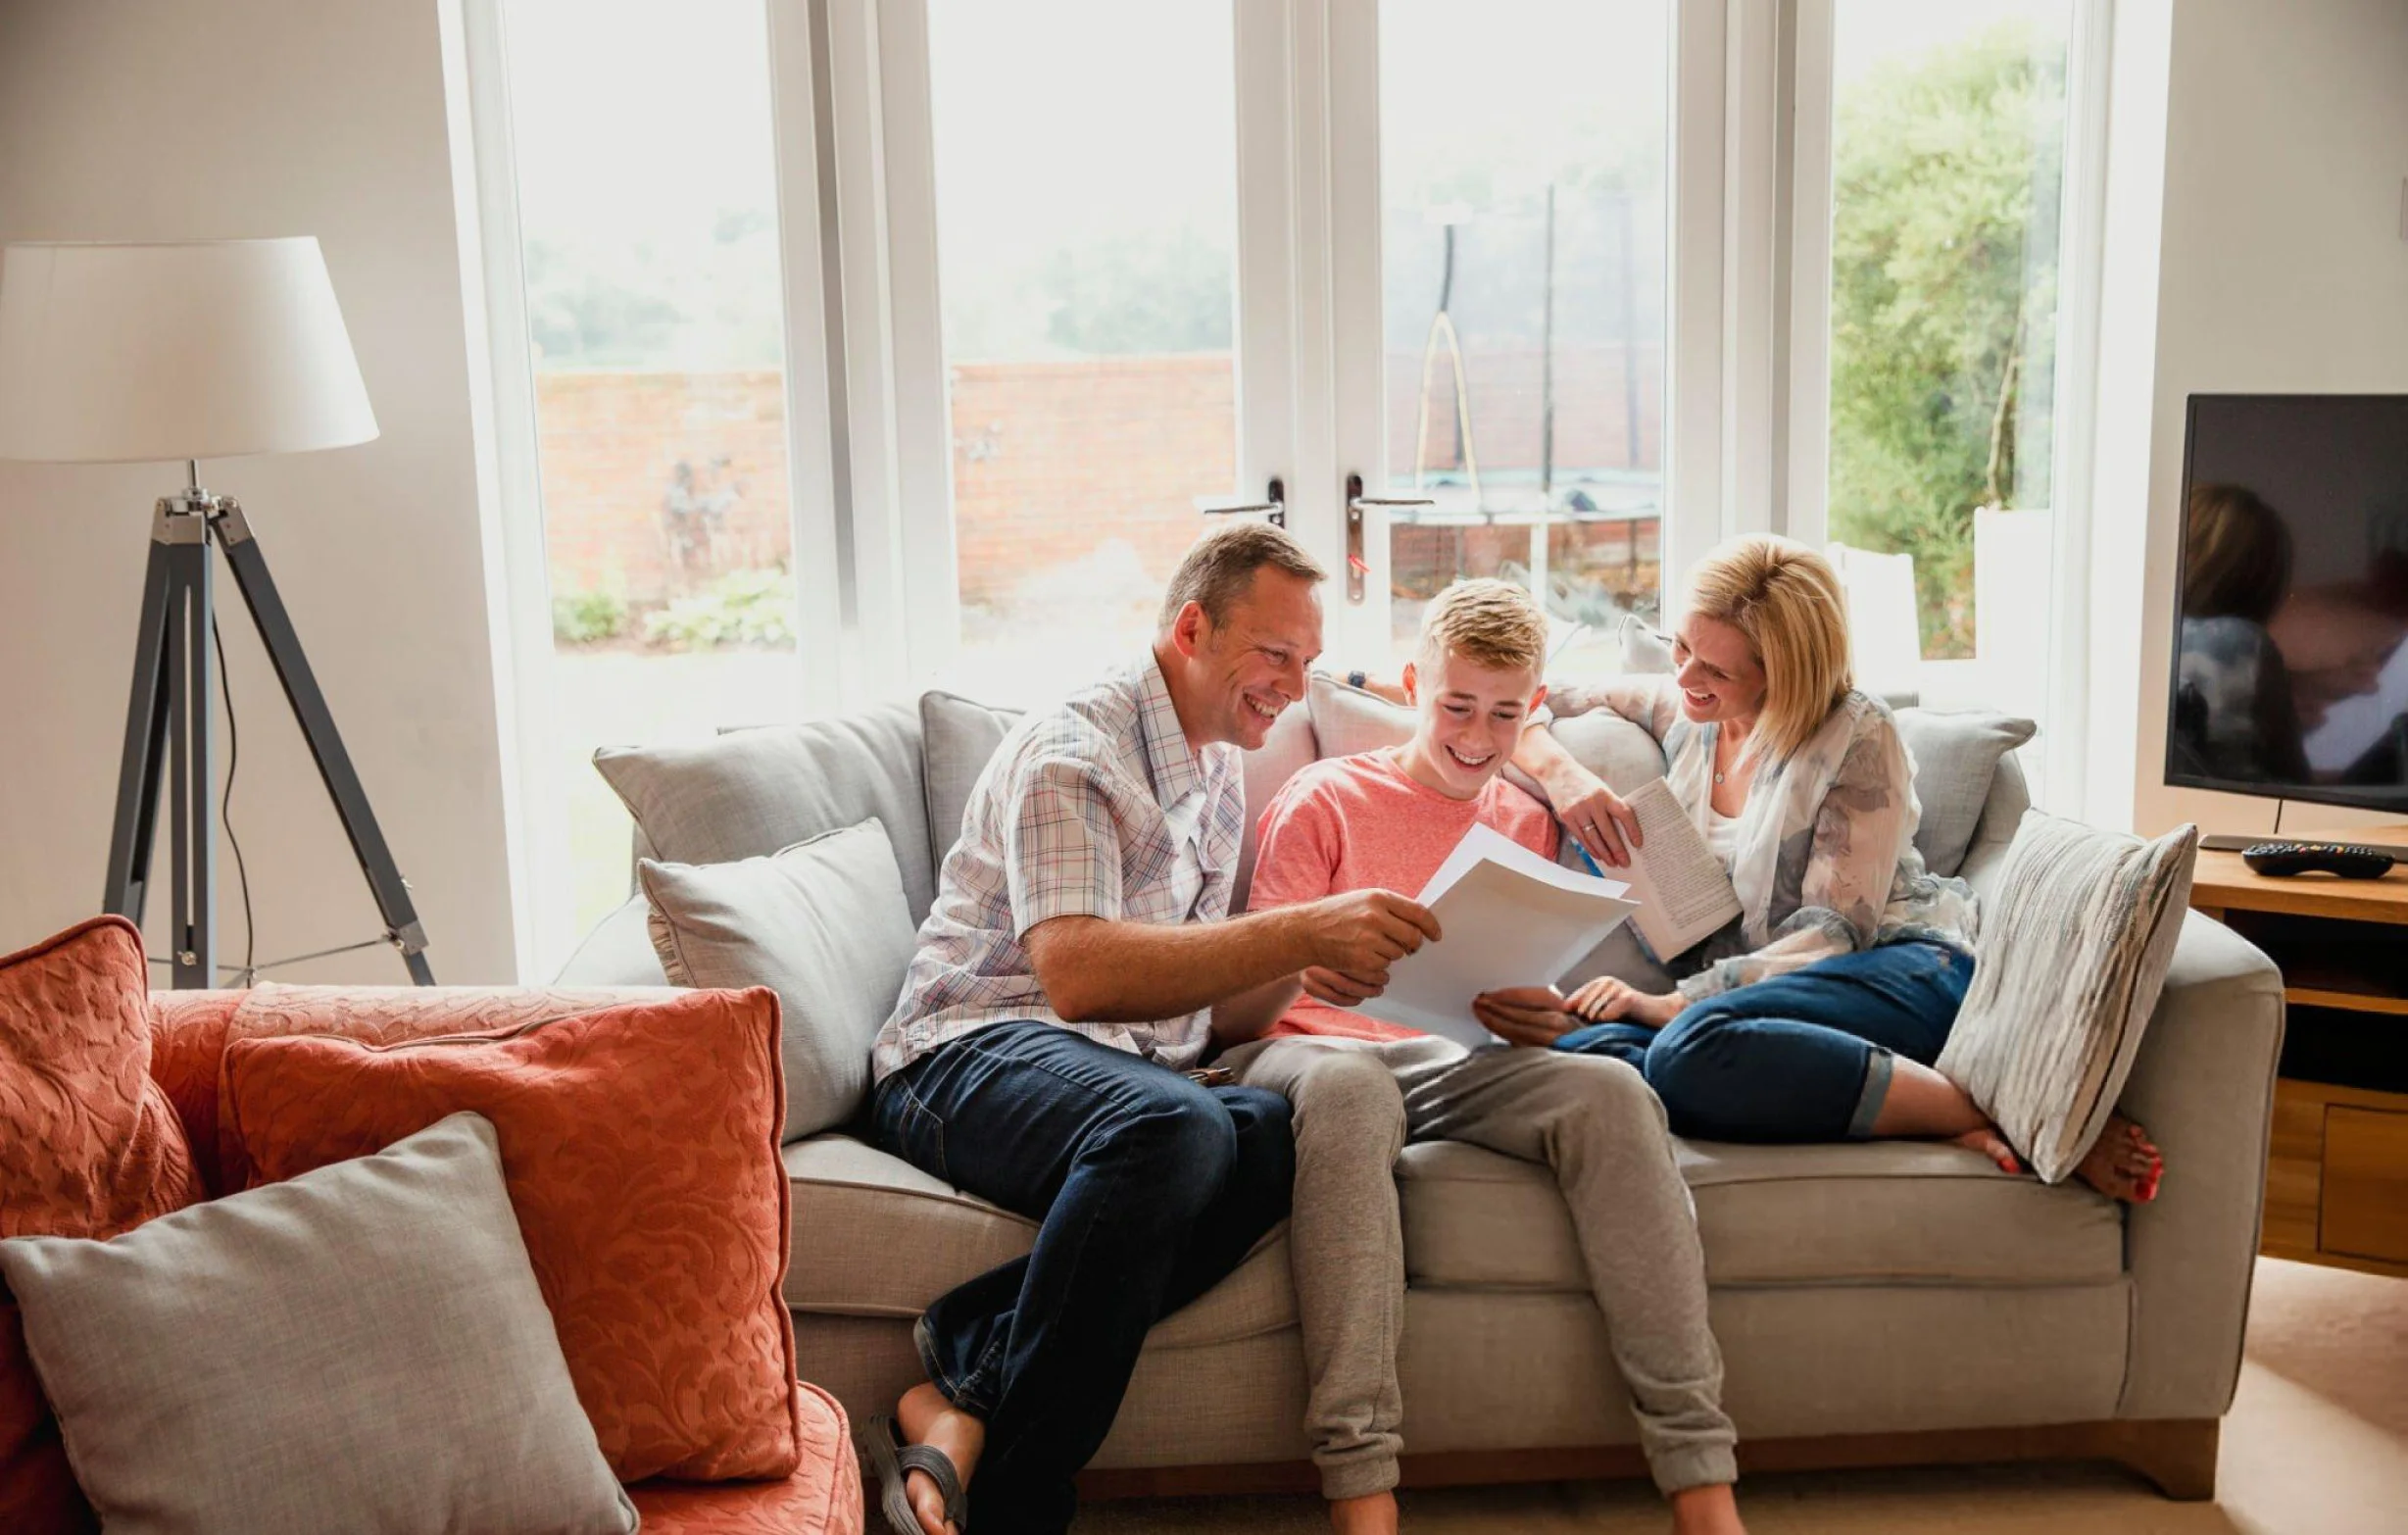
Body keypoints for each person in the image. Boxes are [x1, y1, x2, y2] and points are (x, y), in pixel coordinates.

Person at [862, 521, 1446, 1535]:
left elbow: (1212, 1011)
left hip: (1108, 1067)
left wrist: (1303, 963)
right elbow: (1078, 975)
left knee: (1269, 1136)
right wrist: (1295, 925)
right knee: (1174, 1129)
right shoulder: (1075, 750)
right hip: (960, 1053)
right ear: (1191, 628)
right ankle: (1019, 1506)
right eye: (1273, 655)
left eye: (1306, 665)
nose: (1290, 686)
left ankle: (965, 1383)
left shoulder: (1217, 761)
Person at [1215, 579, 1746, 1535]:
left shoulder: (1522, 819)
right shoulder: (1327, 795)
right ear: (1415, 686)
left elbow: (1516, 986)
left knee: (1609, 1091)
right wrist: (1308, 957)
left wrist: (1535, 1020)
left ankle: (1702, 1485)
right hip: (1307, 1054)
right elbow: (1245, 1002)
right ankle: (1362, 1492)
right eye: (1456, 706)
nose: (1476, 733)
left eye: (1504, 714)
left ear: (1532, 711)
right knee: (1347, 1091)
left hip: (1454, 1058)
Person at [1521, 535, 2163, 1205]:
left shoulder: (1856, 733)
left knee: (1687, 1047)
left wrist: (1674, 1002)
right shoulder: (1688, 712)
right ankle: (1907, 1118)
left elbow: (1832, 934)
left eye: (1714, 670)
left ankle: (2005, 1113)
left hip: (1896, 972)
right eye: (1680, 648)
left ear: (1780, 672)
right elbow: (1533, 696)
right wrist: (1559, 774)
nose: (1684, 678)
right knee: (1582, 1053)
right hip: (1763, 1001)